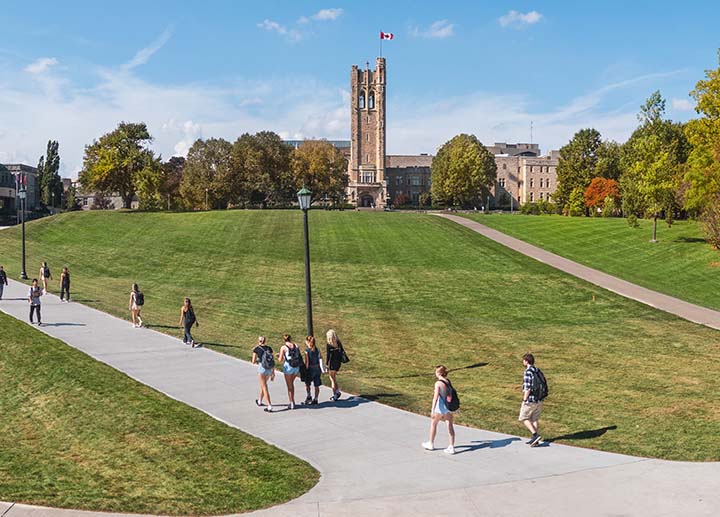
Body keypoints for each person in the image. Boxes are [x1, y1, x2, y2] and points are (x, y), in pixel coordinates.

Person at [421, 365, 456, 454]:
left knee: (434, 424)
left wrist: (432, 409)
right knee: (450, 425)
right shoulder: (447, 381)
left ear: (439, 373)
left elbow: (435, 397)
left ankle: (431, 443)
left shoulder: (438, 383)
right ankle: (451, 446)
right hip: (448, 406)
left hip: (440, 406)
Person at [519, 353, 545, 447]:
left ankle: (535, 435)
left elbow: (528, 388)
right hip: (539, 399)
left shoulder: (528, 372)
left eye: (523, 360)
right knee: (534, 419)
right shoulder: (537, 370)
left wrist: (524, 400)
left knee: (524, 418)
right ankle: (535, 441)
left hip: (530, 400)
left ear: (526, 361)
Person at [252, 336, 275, 412]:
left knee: (264, 387)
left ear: (259, 341)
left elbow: (253, 361)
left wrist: (258, 359)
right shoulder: (269, 348)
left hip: (262, 368)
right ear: (265, 341)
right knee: (263, 385)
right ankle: (260, 401)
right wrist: (273, 373)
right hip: (269, 369)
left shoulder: (256, 349)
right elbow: (272, 360)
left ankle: (269, 405)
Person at [278, 334, 301, 409]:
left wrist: (278, 356)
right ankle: (292, 401)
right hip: (296, 367)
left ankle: (292, 403)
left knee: (289, 386)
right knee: (291, 384)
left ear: (284, 340)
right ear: (290, 339)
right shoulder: (296, 345)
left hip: (288, 367)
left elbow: (280, 359)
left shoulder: (283, 347)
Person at [303, 335, 323, 405]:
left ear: (308, 342)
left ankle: (309, 396)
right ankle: (316, 399)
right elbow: (320, 359)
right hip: (317, 368)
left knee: (307, 384)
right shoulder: (317, 350)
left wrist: (305, 370)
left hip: (310, 369)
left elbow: (307, 362)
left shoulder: (307, 351)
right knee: (316, 385)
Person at [326, 329, 345, 401]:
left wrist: (327, 364)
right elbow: (342, 352)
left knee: (332, 379)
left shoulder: (329, 344)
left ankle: (335, 394)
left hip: (332, 363)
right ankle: (337, 392)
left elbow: (328, 355)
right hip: (338, 362)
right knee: (333, 377)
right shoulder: (338, 343)